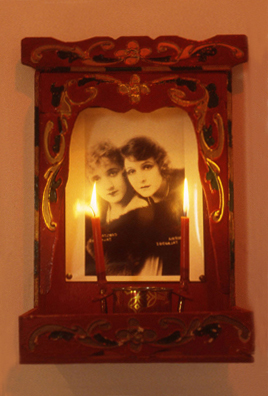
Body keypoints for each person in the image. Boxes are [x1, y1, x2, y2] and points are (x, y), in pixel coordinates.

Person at [120, 136, 185, 276]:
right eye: (132, 171)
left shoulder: (185, 183)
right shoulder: (134, 208)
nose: (140, 179)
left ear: (160, 165)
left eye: (147, 166)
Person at [85, 140, 148, 276]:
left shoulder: (141, 210)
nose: (108, 186)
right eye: (97, 179)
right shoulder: (100, 216)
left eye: (112, 173)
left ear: (124, 171)